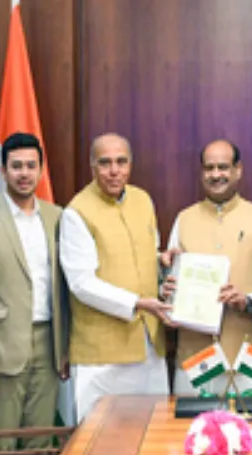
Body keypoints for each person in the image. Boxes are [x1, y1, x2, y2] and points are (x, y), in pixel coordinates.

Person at [0, 132, 69, 454]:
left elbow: (64, 287)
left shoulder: (57, 216)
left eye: (31, 166)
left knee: (41, 442)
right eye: (17, 166)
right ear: (4, 171)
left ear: (41, 170)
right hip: (2, 349)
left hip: (49, 345)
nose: (24, 173)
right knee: (3, 445)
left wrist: (64, 348)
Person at [59, 133, 174, 421]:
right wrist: (137, 303)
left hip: (149, 346)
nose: (114, 171)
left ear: (131, 164)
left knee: (153, 439)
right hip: (102, 356)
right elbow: (81, 283)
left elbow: (146, 257)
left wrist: (164, 267)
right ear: (92, 167)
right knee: (100, 450)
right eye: (105, 163)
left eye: (121, 162)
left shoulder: (143, 200)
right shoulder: (77, 212)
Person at [165, 140, 252, 394]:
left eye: (223, 167)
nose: (216, 175)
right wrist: (168, 291)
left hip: (250, 357)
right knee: (192, 432)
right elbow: (172, 287)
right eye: (209, 168)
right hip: (194, 358)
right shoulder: (184, 220)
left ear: (238, 170)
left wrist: (248, 301)